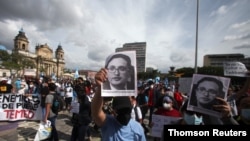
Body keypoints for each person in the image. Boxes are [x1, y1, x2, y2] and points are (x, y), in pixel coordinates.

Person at [91, 68, 146, 141]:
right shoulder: (108, 123)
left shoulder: (138, 128)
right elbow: (96, 113)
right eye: (121, 111)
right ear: (114, 111)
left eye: (127, 110)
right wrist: (101, 87)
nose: (125, 114)